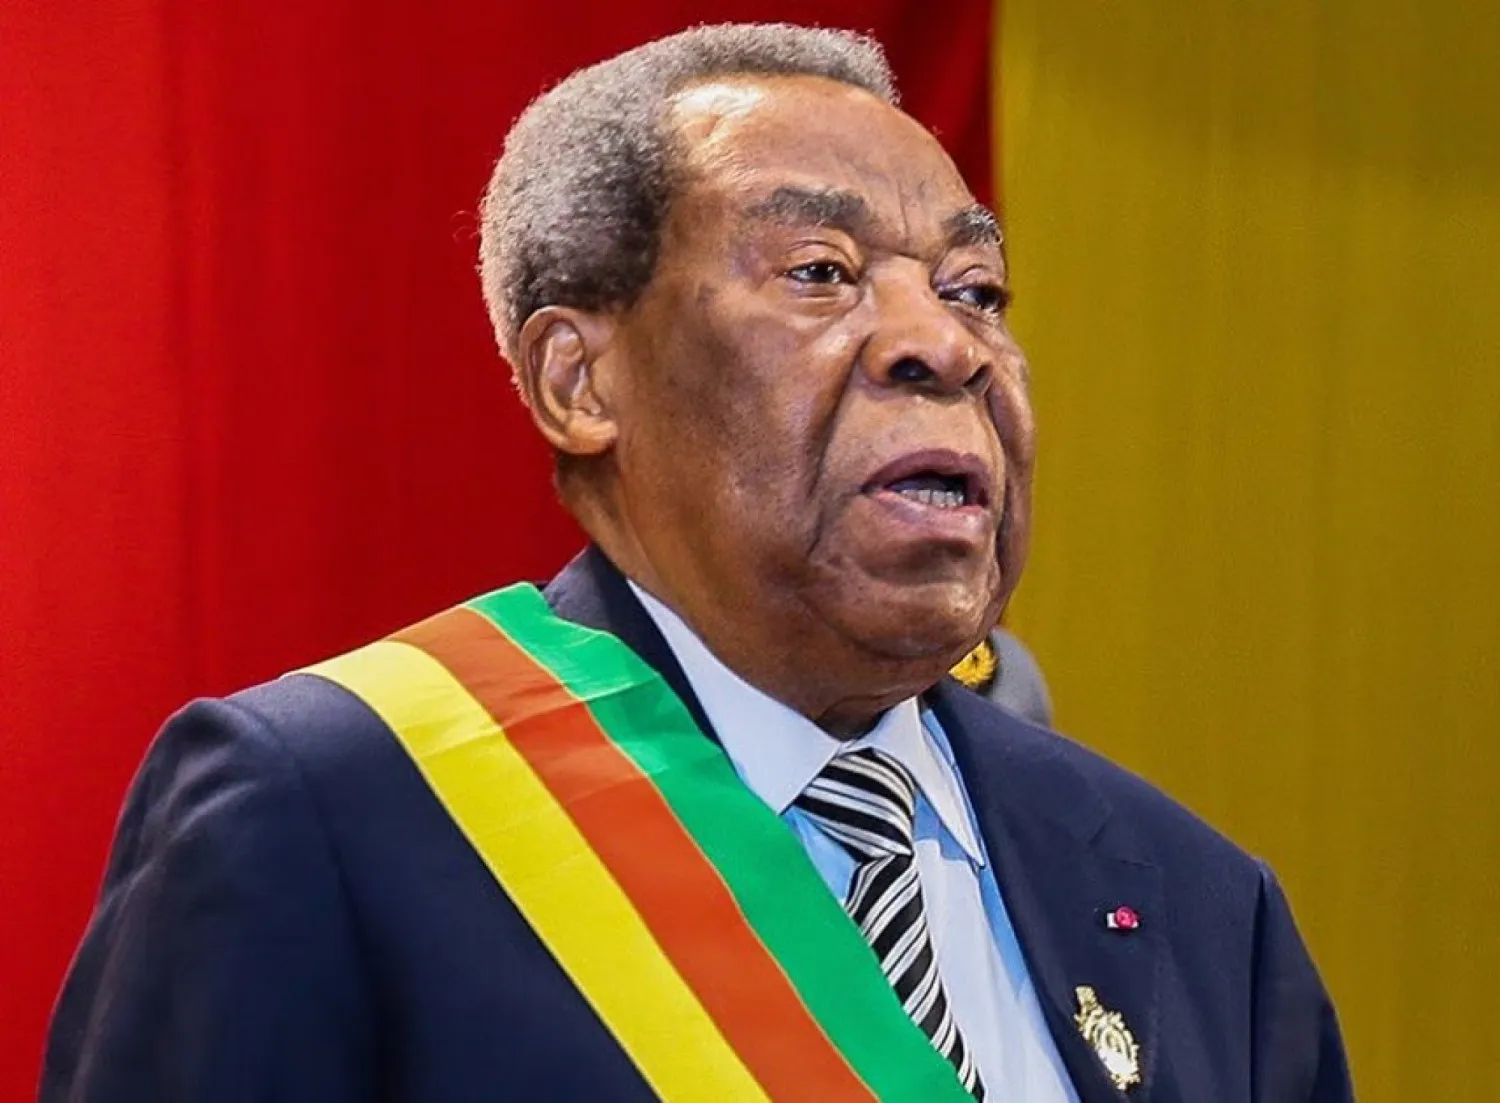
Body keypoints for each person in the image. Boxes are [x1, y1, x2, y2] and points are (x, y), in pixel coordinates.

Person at [42, 23, 1352, 1102]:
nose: (946, 346)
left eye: (973, 289)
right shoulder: (331, 811)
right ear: (581, 379)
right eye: (823, 271)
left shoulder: (1199, 905)